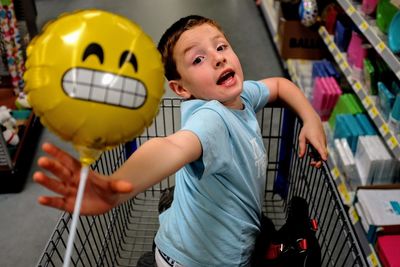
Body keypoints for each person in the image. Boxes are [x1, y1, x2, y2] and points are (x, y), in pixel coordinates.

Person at [34, 15, 327, 267]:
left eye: (221, 46)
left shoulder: (242, 97)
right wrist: (114, 189)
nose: (217, 57)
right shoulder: (212, 119)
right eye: (198, 59)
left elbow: (279, 85)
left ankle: (171, 215)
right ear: (180, 88)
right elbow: (172, 146)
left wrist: (310, 117)